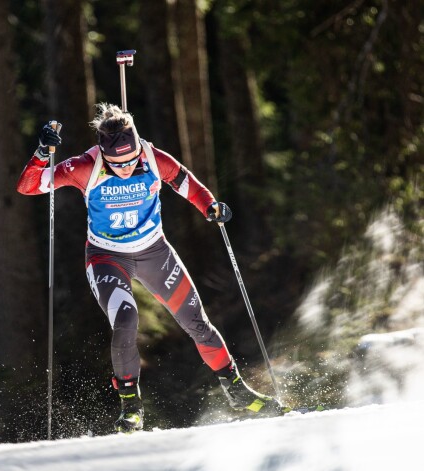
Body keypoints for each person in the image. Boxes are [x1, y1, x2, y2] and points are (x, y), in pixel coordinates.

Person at [17, 103, 282, 433]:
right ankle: (131, 407)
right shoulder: (85, 166)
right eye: (116, 164)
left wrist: (210, 206)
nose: (125, 168)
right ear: (102, 153)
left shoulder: (154, 157)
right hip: (107, 257)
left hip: (155, 252)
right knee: (126, 320)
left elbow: (184, 181)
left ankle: (238, 392)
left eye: (129, 161)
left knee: (197, 322)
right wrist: (43, 152)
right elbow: (28, 186)